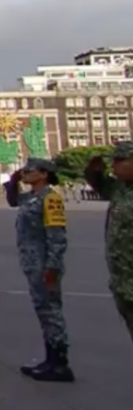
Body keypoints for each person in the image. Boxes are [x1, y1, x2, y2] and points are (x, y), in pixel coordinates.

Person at [6, 158, 73, 382]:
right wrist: (13, 182)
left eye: (29, 171)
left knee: (51, 311)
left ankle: (60, 363)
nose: (25, 173)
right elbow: (14, 201)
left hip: (45, 263)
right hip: (33, 263)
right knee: (43, 309)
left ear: (44, 174)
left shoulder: (50, 198)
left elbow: (57, 235)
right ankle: (50, 359)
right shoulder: (32, 197)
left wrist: (53, 266)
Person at [84, 141, 133, 343]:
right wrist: (94, 169)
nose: (114, 165)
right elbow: (98, 183)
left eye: (121, 160)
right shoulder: (120, 188)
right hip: (124, 282)